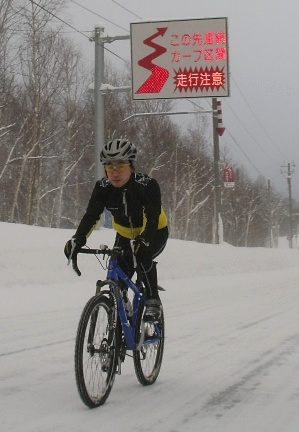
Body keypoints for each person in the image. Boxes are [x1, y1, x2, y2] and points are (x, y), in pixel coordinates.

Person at [64, 138, 168, 321]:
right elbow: (91, 216)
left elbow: (151, 218)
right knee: (119, 273)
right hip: (125, 234)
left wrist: (144, 240)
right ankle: (121, 309)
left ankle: (153, 300)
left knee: (142, 257)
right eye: (109, 166)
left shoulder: (147, 186)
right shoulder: (102, 188)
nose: (115, 172)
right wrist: (78, 239)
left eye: (121, 165)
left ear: (132, 166)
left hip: (155, 231)